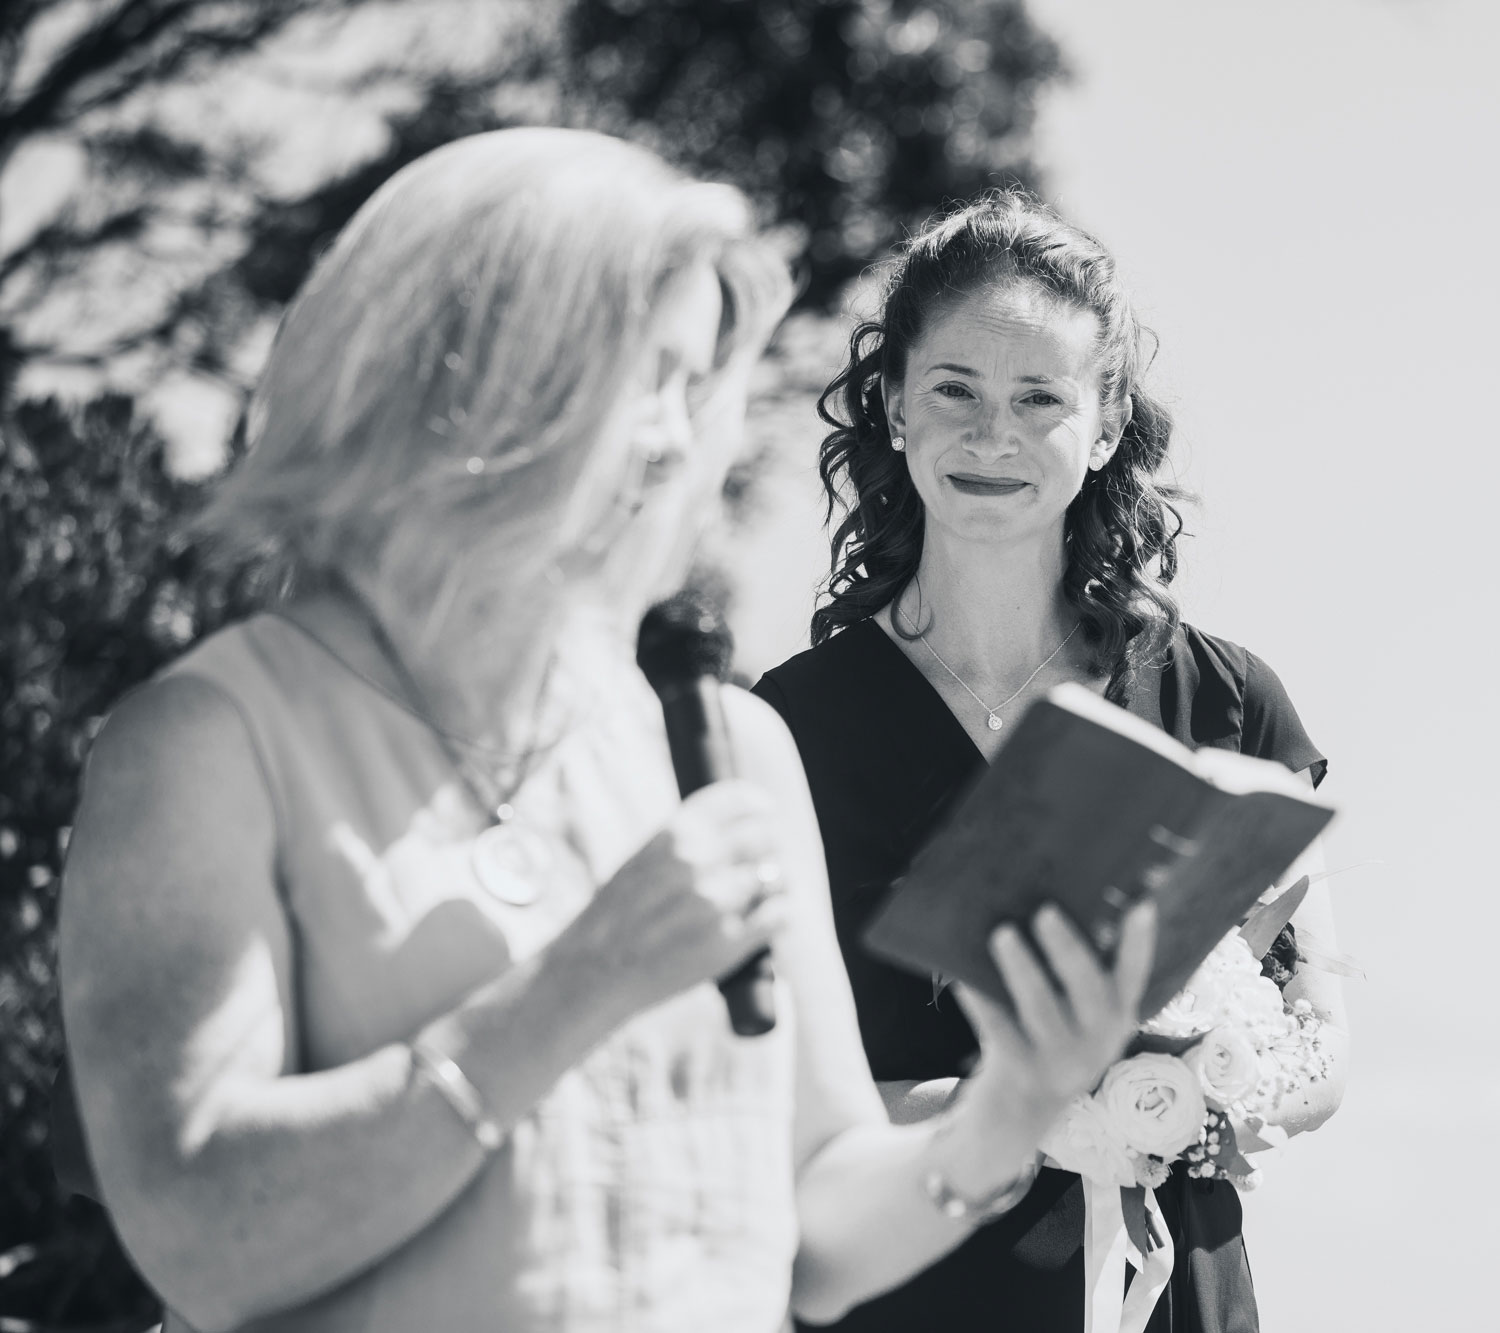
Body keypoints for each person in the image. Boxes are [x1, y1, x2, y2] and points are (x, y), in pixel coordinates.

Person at [57, 131, 1157, 1333]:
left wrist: (1014, 1099)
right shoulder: (211, 743)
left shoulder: (732, 753)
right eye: (645, 373)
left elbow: (821, 1239)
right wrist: (573, 989)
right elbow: (204, 1245)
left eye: (701, 384)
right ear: (452, 376)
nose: (679, 437)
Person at [752, 192, 1352, 1333]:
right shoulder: (781, 734)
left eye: (1039, 398)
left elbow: (1319, 1051)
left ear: (1107, 422)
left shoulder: (1226, 701)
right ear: (888, 405)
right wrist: (1041, 1110)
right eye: (954, 392)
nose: (994, 436)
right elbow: (764, 1094)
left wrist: (1178, 1098)